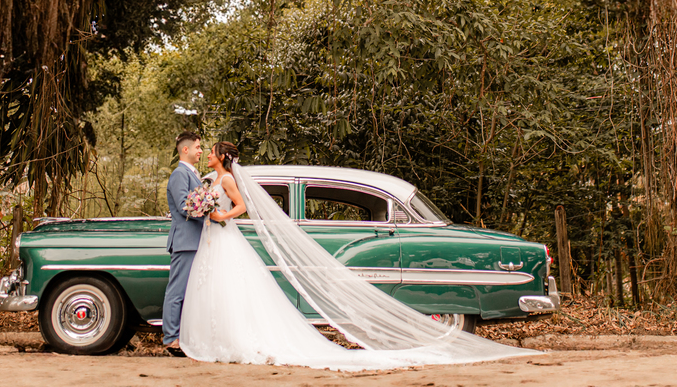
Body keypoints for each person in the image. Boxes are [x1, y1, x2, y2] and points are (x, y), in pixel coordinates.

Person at [178, 141, 533, 370]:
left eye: (210, 151)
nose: (205, 153)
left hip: (221, 234)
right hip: (216, 239)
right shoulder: (213, 179)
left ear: (221, 156)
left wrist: (219, 214)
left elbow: (235, 207)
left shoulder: (225, 181)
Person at [161, 130, 203, 356]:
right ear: (185, 149)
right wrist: (208, 211)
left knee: (188, 292)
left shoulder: (193, 174)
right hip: (185, 240)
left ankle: (182, 336)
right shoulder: (180, 174)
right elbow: (183, 205)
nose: (200, 151)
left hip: (195, 240)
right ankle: (170, 339)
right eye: (198, 147)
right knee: (177, 291)